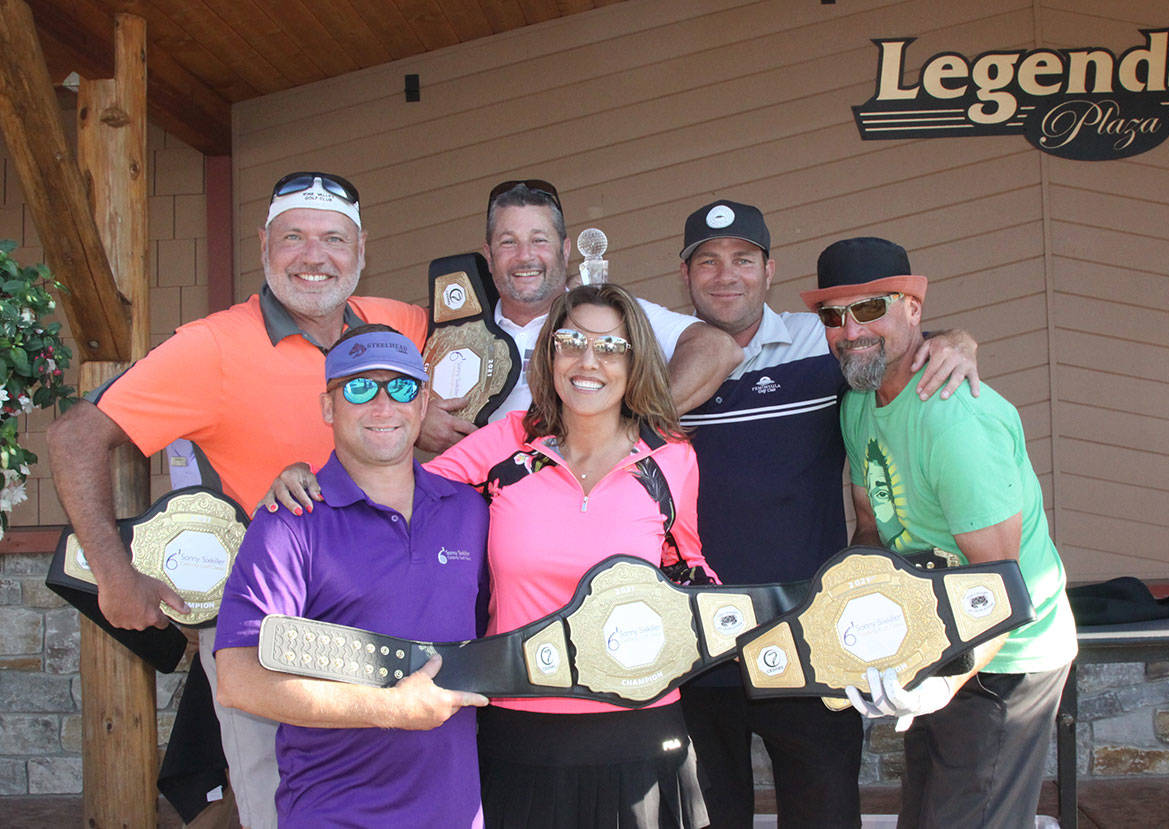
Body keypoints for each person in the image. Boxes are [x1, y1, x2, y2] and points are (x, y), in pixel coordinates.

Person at [45, 172, 442, 827]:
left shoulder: (399, 324)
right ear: (264, 245)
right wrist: (115, 572)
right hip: (270, 634)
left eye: (333, 240)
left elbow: (450, 382)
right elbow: (74, 436)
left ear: (362, 248)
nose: (314, 257)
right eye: (294, 237)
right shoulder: (209, 347)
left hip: (387, 617)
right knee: (286, 809)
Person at [261, 283, 718, 827]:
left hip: (642, 730)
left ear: (635, 359)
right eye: (570, 342)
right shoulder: (508, 443)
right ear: (549, 355)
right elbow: (393, 487)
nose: (588, 361)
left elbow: (689, 568)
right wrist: (304, 474)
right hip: (519, 728)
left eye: (610, 346)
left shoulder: (670, 459)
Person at [674, 200, 981, 828]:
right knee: (707, 819)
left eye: (742, 260)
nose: (725, 275)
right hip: (696, 639)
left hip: (810, 630)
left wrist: (956, 340)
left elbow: (893, 340)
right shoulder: (663, 361)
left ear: (769, 270)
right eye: (707, 261)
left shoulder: (825, 340)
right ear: (685, 277)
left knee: (823, 816)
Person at [806, 237, 1076, 828]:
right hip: (935, 640)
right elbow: (871, 528)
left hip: (1004, 658)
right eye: (833, 315)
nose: (849, 329)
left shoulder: (956, 420)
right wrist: (851, 625)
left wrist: (948, 680)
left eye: (870, 308)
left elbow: (1002, 586)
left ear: (913, 309)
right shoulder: (860, 399)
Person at [214, 325, 489, 826]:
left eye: (401, 388)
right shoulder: (290, 521)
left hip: (455, 811)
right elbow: (238, 681)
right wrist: (389, 708)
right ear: (327, 407)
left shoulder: (468, 510)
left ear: (423, 403)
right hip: (337, 813)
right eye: (360, 388)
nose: (383, 407)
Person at [451, 179, 742, 429]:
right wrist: (424, 422)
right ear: (488, 256)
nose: (525, 256)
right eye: (508, 242)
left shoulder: (610, 315)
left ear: (565, 251)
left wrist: (633, 428)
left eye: (539, 240)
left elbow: (717, 348)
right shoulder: (454, 335)